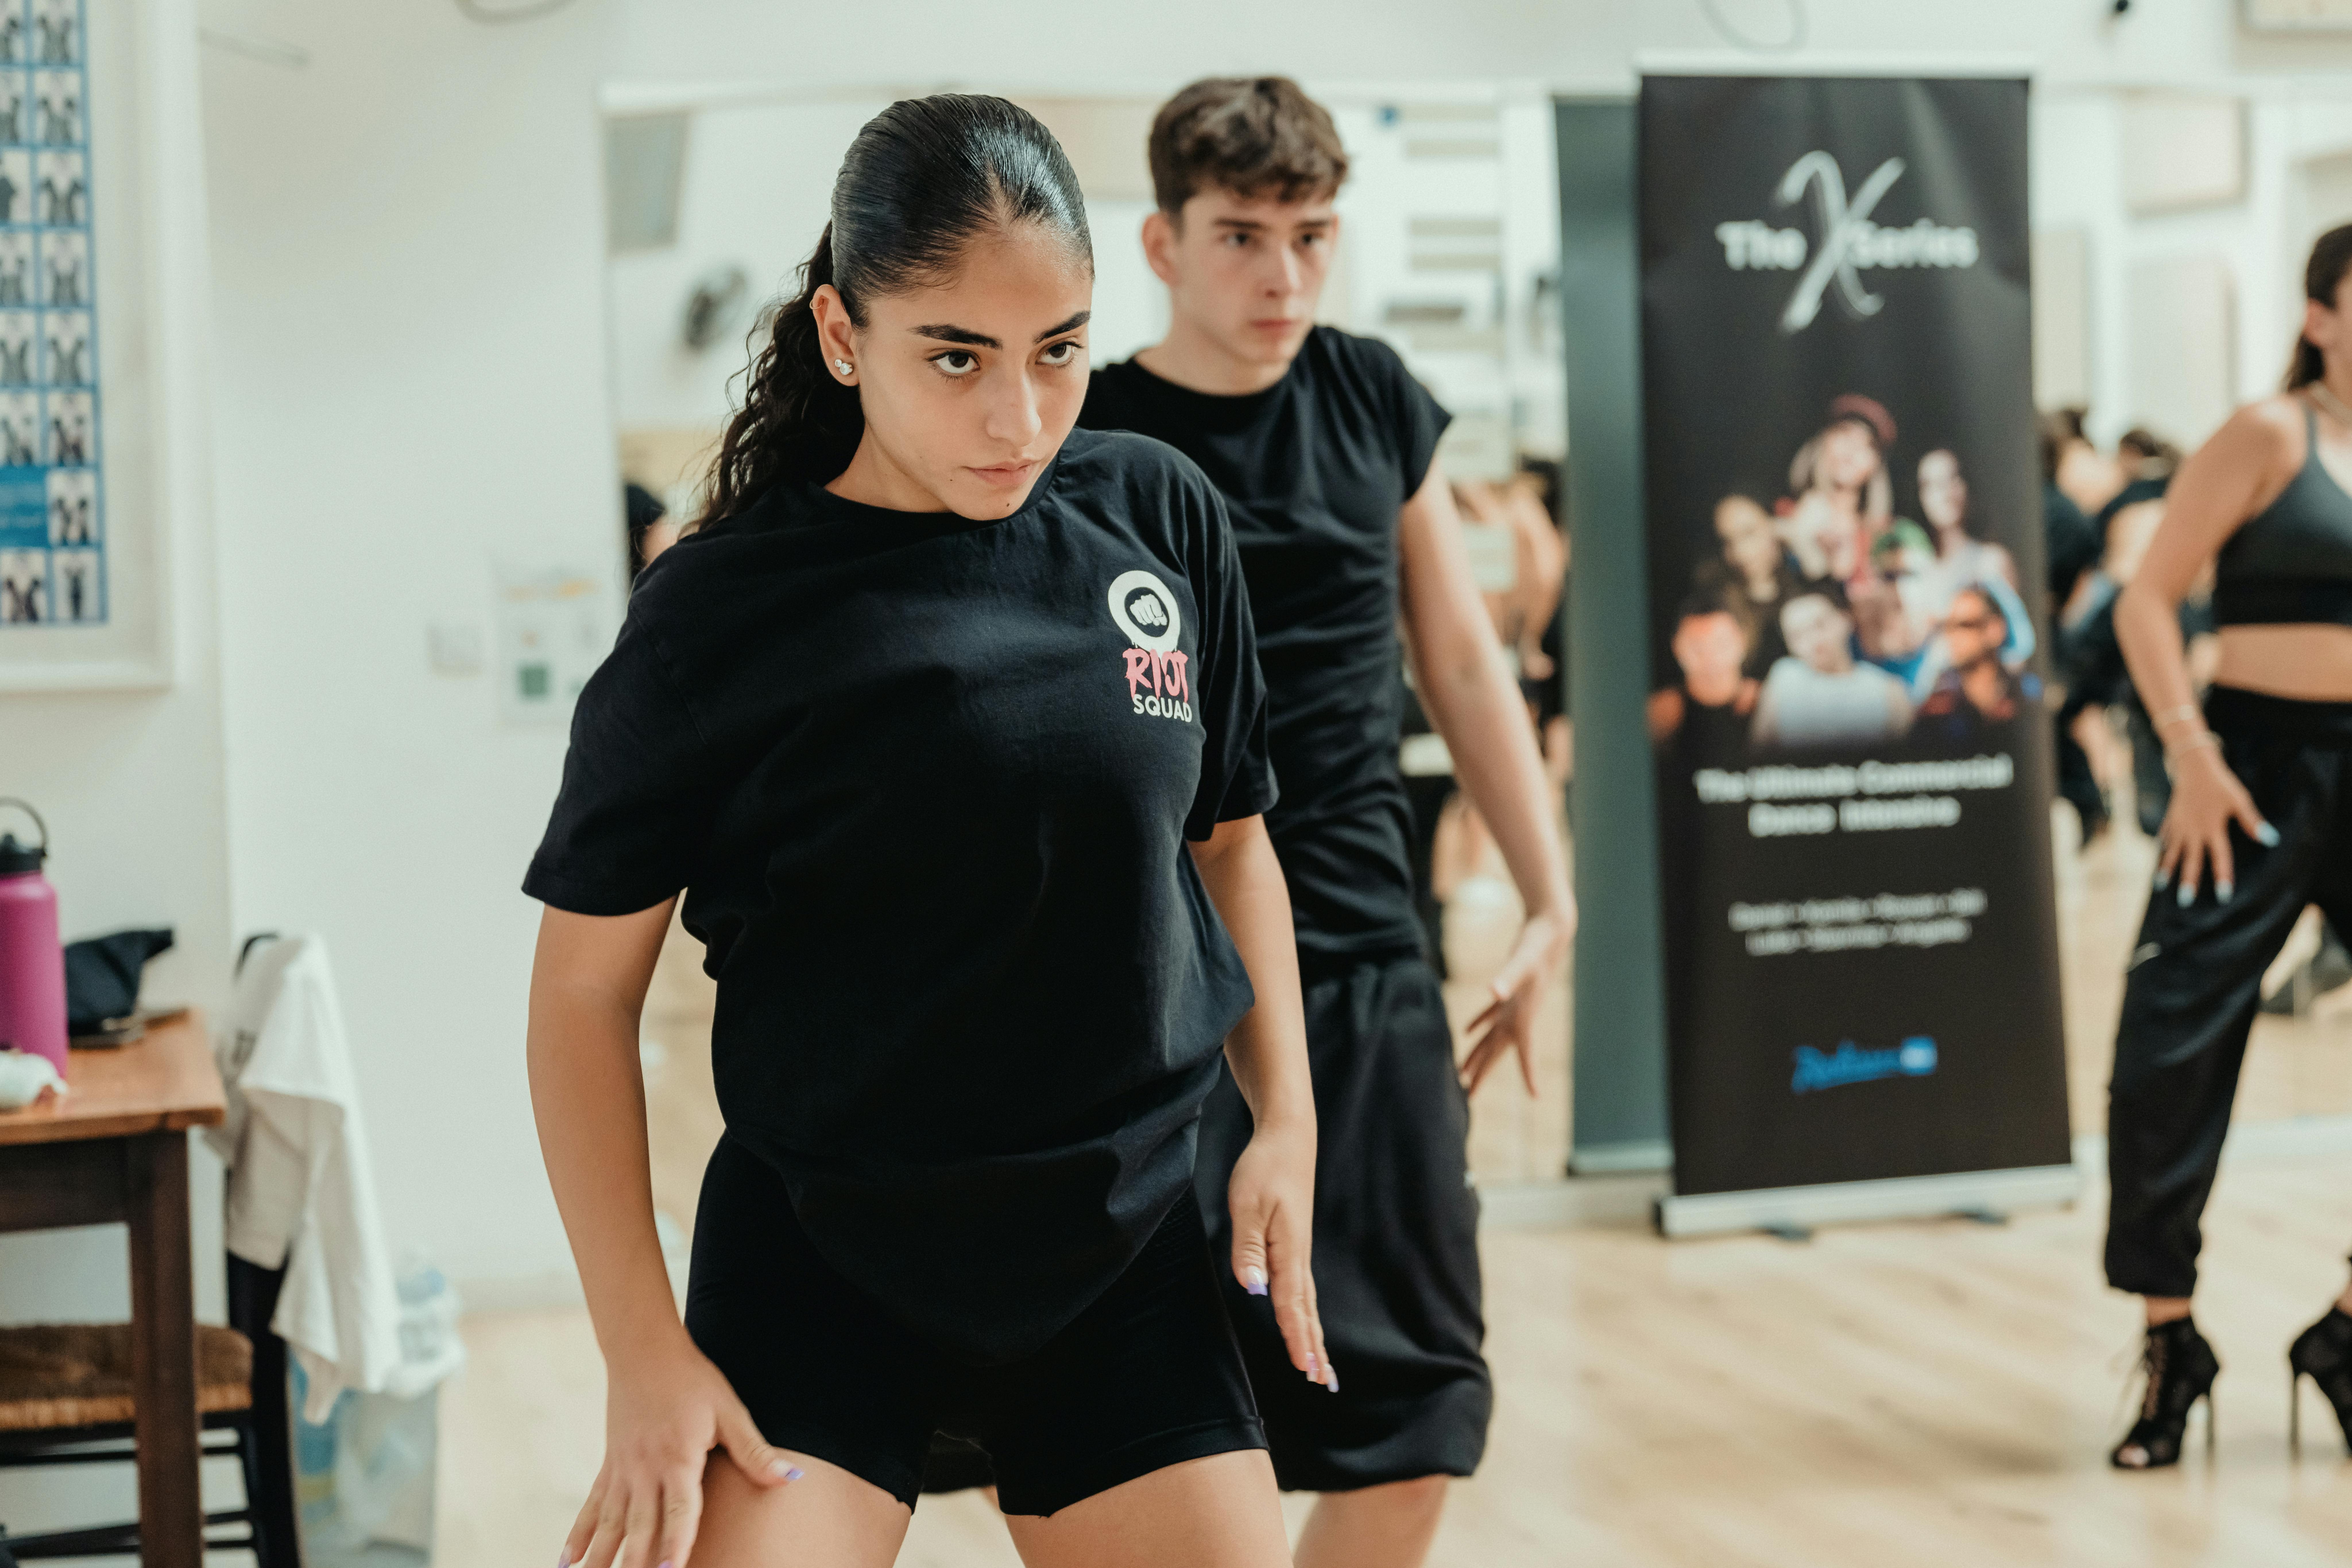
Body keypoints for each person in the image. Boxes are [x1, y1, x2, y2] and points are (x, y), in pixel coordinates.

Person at [522, 96, 1332, 1568]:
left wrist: (1287, 1116)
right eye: (955, 356)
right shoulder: (718, 612)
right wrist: (643, 1353)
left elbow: (1230, 839)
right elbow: (581, 995)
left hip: (1119, 1235)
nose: (1016, 415)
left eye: (1059, 350)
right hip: (826, 1247)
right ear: (844, 336)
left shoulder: (1161, 517)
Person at [1075, 76, 1574, 1568]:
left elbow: (1465, 658)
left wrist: (1549, 899)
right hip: (1155, 977)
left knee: (1418, 1394)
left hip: (1367, 940)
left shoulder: (1367, 394)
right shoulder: (1093, 432)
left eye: (1310, 236)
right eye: (1242, 237)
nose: (1282, 276)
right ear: (1163, 244)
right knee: (1169, 1404)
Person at [2104, 222, 2352, 1471]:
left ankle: (2349, 1332)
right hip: (2247, 771)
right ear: (2321, 316)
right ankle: (2171, 1344)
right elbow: (2146, 596)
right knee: (2173, 1046)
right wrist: (2189, 751)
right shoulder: (2267, 436)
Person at [1750, 587, 1912, 750]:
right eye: (1798, 635)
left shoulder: (1888, 691)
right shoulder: (1785, 677)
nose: (1813, 640)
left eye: (1820, 625)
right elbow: (1757, 754)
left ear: (1845, 620)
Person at [1912, 585, 2037, 743]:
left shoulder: (2028, 695)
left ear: (1995, 630)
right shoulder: (1936, 707)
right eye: (1947, 626)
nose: (1952, 635)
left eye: (1964, 625)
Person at [1647, 594, 1760, 752]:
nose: (1709, 658)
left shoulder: (1773, 701)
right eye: (1696, 646)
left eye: (1721, 644)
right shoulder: (1659, 715)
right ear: (1677, 648)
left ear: (1743, 642)